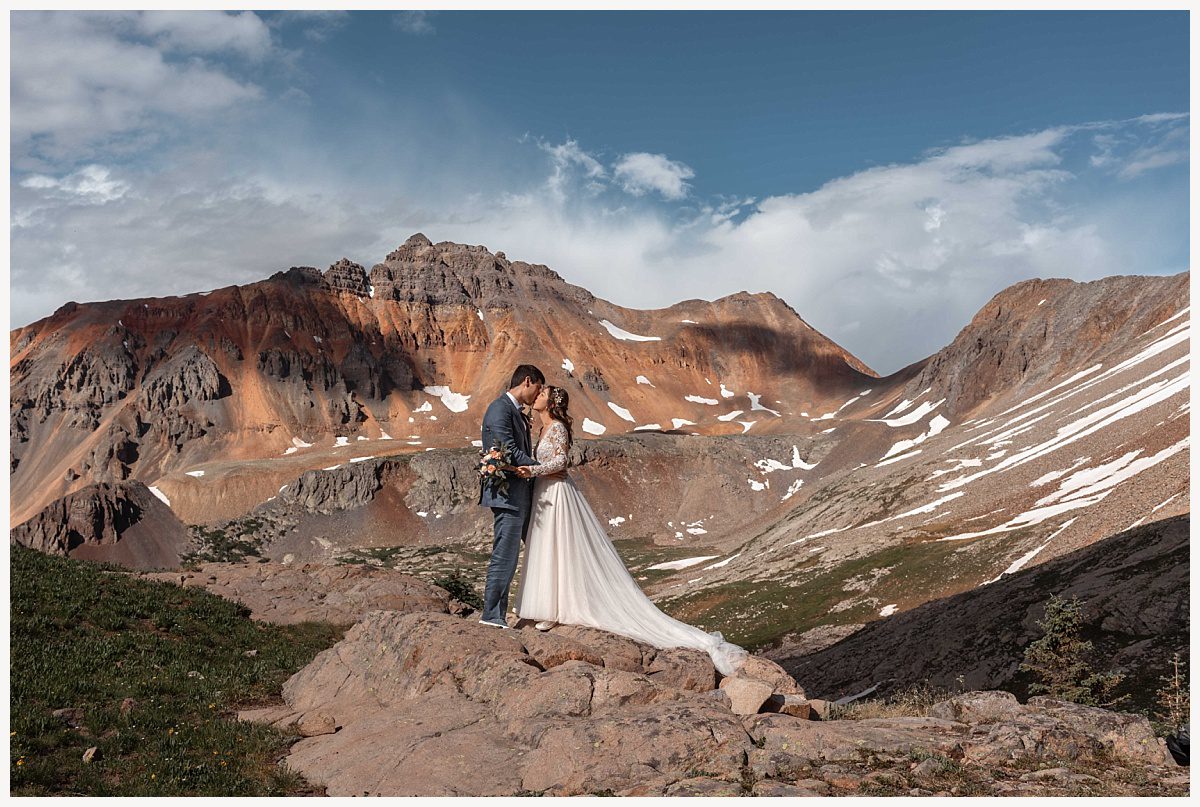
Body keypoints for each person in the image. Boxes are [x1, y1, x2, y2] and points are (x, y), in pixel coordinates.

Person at [512, 385, 747, 675]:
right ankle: (548, 604)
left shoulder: (558, 427)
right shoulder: (543, 427)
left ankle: (555, 608)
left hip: (557, 491)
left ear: (552, 402)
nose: (537, 395)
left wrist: (531, 471)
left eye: (543, 393)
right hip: (545, 491)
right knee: (548, 546)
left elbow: (561, 461)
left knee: (560, 545)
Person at [477, 364, 544, 628]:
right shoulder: (499, 409)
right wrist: (543, 468)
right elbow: (510, 451)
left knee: (532, 551)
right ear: (527, 381)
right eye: (538, 388)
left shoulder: (514, 411)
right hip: (508, 496)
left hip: (520, 495)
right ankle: (492, 616)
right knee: (505, 555)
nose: (538, 394)